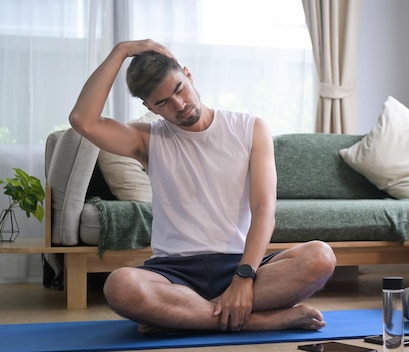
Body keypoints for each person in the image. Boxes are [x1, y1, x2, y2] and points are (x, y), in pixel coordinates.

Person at [69, 39, 337, 334]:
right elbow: (83, 120)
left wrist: (244, 278)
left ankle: (181, 318)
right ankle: (259, 321)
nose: (179, 105)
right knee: (120, 286)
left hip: (240, 264)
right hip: (173, 272)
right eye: (163, 103)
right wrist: (121, 50)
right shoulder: (147, 140)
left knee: (320, 257)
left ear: (189, 75)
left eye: (179, 89)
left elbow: (264, 210)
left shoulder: (250, 129)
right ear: (150, 107)